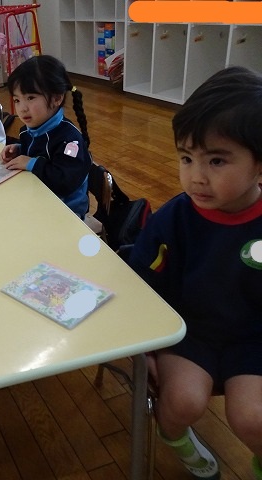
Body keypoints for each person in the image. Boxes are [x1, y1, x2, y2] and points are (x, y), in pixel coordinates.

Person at [129, 66, 262, 480]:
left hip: (253, 338)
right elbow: (140, 284)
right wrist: (144, 349)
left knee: (254, 418)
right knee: (181, 402)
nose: (196, 176)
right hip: (189, 334)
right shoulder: (175, 218)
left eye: (216, 160)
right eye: (186, 158)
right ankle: (176, 439)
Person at [0, 55, 91, 219]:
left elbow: (64, 182)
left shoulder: (71, 143)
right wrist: (19, 150)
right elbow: (41, 152)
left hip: (66, 214)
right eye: (17, 100)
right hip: (37, 199)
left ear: (56, 98)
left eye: (30, 98)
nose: (22, 108)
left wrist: (31, 162)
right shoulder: (29, 130)